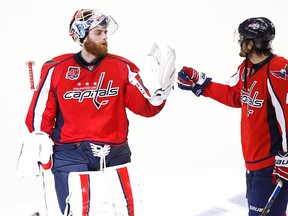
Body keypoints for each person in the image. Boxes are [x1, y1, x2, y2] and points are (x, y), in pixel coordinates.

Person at [18, 8, 175, 215]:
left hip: (115, 154)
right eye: (98, 32)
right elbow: (40, 115)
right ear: (82, 35)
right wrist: (37, 139)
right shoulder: (56, 68)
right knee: (75, 210)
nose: (105, 36)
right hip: (70, 155)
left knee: (122, 211)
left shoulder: (122, 67)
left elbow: (145, 107)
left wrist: (160, 94)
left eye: (105, 32)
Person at [177, 17, 288, 215]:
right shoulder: (245, 68)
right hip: (253, 165)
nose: (239, 42)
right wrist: (203, 84)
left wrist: (286, 158)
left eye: (243, 38)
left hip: (272, 166)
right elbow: (236, 96)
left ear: (251, 43)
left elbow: (286, 115)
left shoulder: (278, 69)